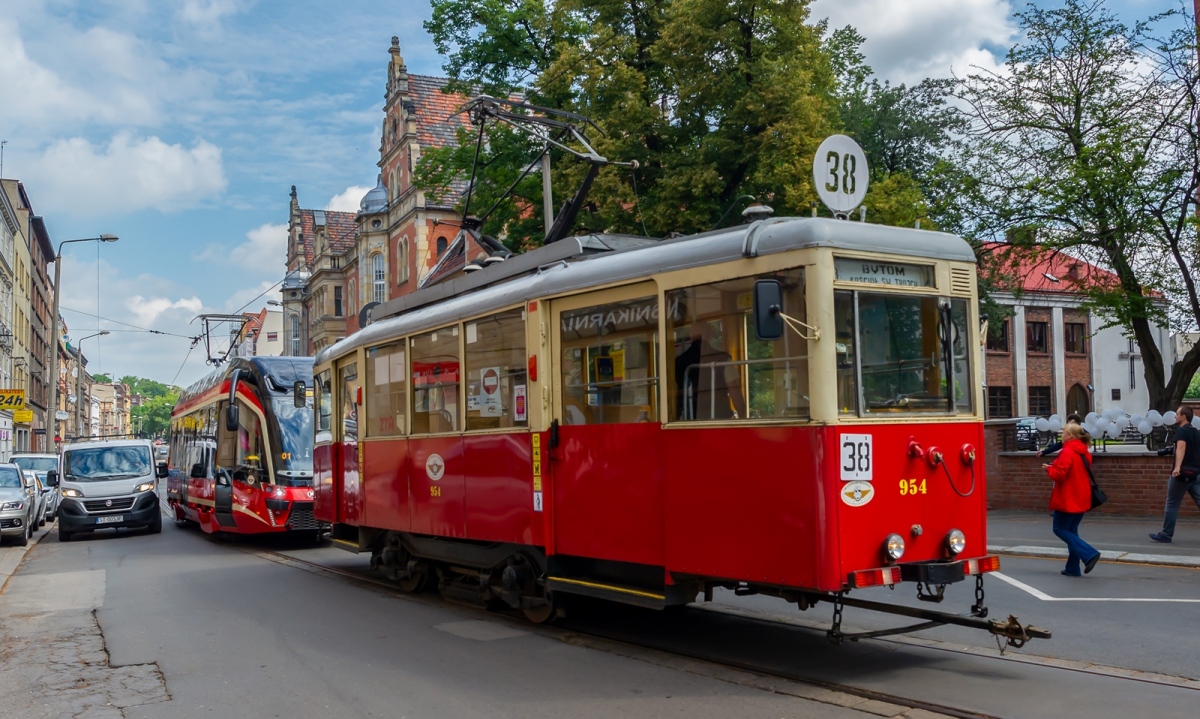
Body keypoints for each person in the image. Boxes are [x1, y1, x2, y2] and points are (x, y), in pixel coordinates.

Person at [1043, 422, 1101, 576]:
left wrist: (1049, 468)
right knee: (1071, 531)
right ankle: (1072, 568)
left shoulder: (1067, 452)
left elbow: (1059, 474)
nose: (1061, 435)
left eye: (1063, 433)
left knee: (1059, 529)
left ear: (1069, 436)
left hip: (1068, 497)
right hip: (1082, 495)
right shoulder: (1084, 451)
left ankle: (1089, 553)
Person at [674, 320, 745, 420]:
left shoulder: (678, 362)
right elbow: (734, 390)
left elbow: (674, 395)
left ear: (691, 336)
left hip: (690, 419)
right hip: (719, 417)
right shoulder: (722, 359)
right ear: (710, 335)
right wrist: (743, 416)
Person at [1149, 406, 1200, 543]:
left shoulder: (1181, 431)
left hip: (1182, 475)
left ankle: (1166, 534)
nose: (1175, 416)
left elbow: (1181, 449)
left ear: (1184, 416)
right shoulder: (1196, 432)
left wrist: (1177, 467)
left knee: (1172, 503)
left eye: (1177, 414)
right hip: (1196, 474)